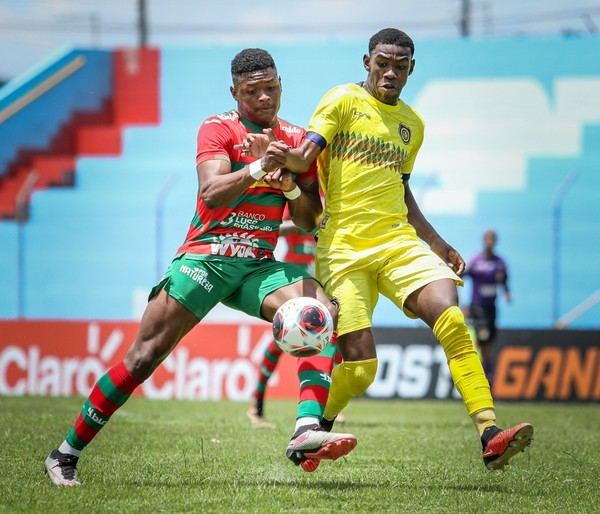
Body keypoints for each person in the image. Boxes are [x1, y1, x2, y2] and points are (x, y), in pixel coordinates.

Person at [43, 48, 357, 487]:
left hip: (256, 267)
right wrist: (258, 167)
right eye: (253, 91)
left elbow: (309, 218)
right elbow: (211, 193)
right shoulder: (218, 127)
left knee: (319, 312)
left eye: (271, 88)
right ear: (235, 92)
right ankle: (64, 454)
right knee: (143, 357)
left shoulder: (296, 138)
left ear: (281, 83)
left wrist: (285, 181)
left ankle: (306, 430)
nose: (264, 98)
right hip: (205, 258)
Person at [239, 29, 533, 471]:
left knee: (451, 317)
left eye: (400, 64)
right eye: (382, 62)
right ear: (366, 62)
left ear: (411, 68)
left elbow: (402, 188)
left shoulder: (412, 125)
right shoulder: (340, 100)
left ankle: (490, 433)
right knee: (361, 370)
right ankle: (316, 428)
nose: (390, 71)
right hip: (344, 249)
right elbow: (305, 157)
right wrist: (282, 159)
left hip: (398, 242)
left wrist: (436, 242)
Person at [247, 210, 345, 433]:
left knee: (331, 337)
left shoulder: (330, 191)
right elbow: (277, 228)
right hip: (294, 278)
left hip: (319, 275)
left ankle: (326, 403)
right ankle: (256, 403)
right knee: (281, 341)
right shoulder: (300, 193)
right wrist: (309, 220)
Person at [464, 229, 511, 385]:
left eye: (492, 239)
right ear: (484, 240)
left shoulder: (499, 262)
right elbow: (461, 274)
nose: (490, 241)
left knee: (488, 343)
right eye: (488, 238)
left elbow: (504, 278)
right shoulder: (476, 261)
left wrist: (507, 293)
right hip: (478, 307)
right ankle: (480, 372)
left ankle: (488, 372)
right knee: (482, 336)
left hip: (491, 307)